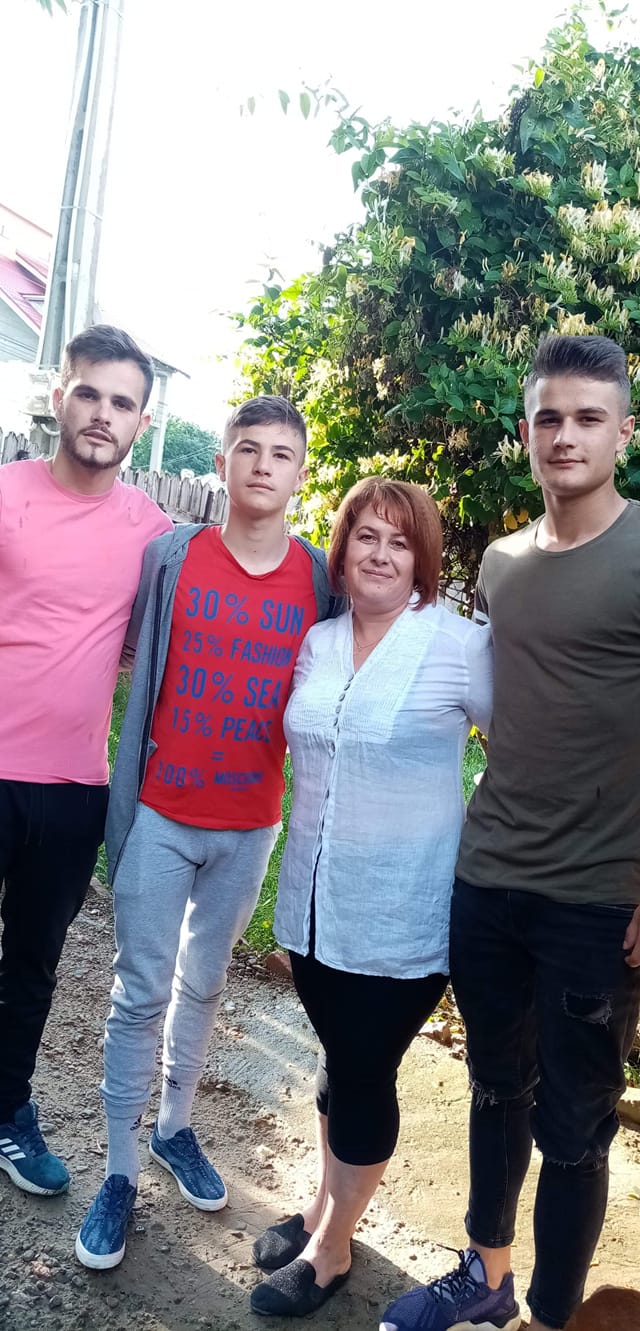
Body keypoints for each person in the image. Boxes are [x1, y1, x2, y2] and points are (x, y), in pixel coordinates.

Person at [381, 334, 640, 1331]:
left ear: (623, 431)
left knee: (575, 1130)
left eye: (587, 417)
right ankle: (484, 1275)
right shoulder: (502, 562)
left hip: (596, 897)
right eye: (548, 417)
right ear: (525, 431)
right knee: (495, 1088)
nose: (565, 434)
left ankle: (549, 1314)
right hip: (488, 878)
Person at [76, 395, 340, 1270]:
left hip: (249, 824)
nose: (264, 464)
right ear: (222, 464)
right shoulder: (172, 557)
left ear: (300, 473)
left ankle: (175, 1126)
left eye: (282, 454)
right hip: (160, 812)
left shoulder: (319, 578)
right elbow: (124, 656)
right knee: (138, 991)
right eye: (248, 449)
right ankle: (119, 1171)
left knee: (204, 984)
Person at [250, 477, 493, 1318]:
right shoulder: (318, 642)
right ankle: (324, 1203)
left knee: (362, 1072)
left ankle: (333, 1248)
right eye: (366, 536)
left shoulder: (459, 645)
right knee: (335, 1061)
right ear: (343, 548)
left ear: (422, 559)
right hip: (315, 908)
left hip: (403, 915)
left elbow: (525, 748)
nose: (382, 553)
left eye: (400, 540)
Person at [0, 325, 172, 1198]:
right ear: (59, 396)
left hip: (74, 789)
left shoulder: (153, 532)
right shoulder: (5, 495)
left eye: (123, 402)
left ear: (141, 421)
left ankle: (7, 1109)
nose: (104, 414)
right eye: (90, 393)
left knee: (32, 965)